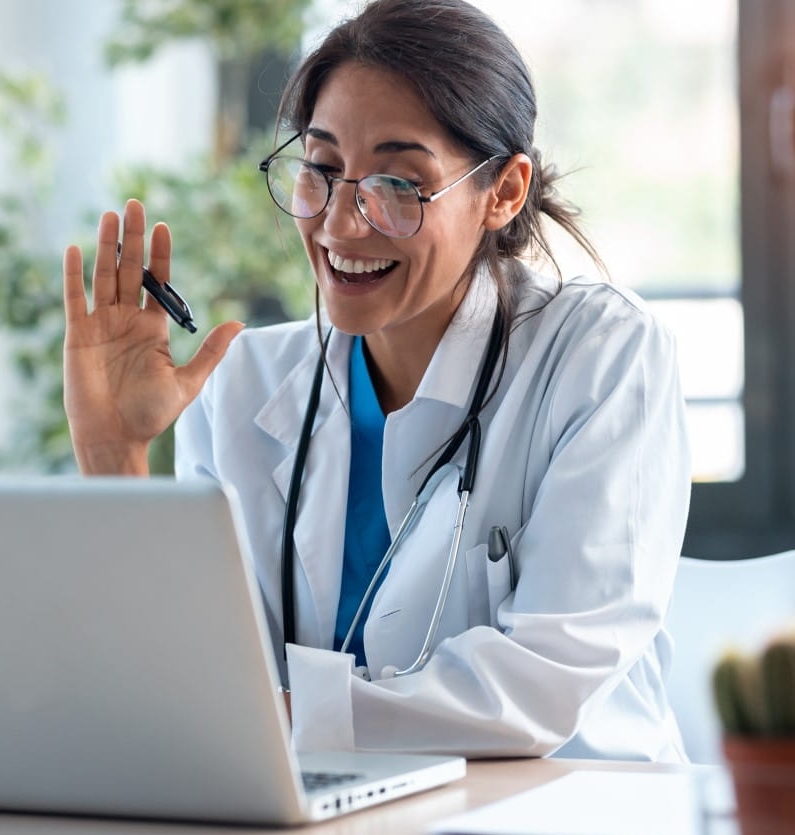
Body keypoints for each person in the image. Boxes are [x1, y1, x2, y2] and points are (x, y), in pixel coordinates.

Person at [61, 0, 691, 761]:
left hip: (566, 818)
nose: (342, 223)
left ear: (504, 191)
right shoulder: (243, 385)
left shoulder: (601, 356)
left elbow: (543, 683)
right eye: (321, 170)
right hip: (330, 823)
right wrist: (113, 457)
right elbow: (183, 680)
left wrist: (280, 719)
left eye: (397, 182)